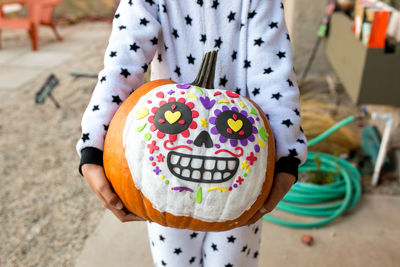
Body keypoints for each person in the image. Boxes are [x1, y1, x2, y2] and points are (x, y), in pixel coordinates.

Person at [77, 0, 307, 266]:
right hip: (164, 166)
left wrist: (287, 158)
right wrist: (92, 149)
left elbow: (274, 81)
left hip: (239, 163)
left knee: (231, 261)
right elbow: (120, 69)